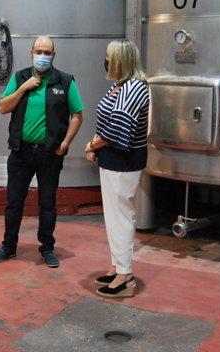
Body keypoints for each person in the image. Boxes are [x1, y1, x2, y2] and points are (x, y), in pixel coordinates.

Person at [0, 36, 84, 268]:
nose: (42, 56)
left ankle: (47, 248)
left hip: (50, 154)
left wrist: (65, 144)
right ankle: (8, 246)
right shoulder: (20, 77)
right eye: (39, 52)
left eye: (47, 52)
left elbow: (77, 115)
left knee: (47, 204)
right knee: (13, 202)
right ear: (31, 53)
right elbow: (3, 107)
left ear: (53, 55)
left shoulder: (65, 81)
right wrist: (23, 88)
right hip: (21, 152)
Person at [84, 38, 149, 298]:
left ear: (121, 60)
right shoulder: (119, 85)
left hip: (123, 162)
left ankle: (125, 275)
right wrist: (95, 146)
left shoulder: (134, 87)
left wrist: (92, 145)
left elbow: (116, 128)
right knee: (114, 217)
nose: (106, 61)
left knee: (121, 216)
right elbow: (107, 122)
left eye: (109, 57)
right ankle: (117, 266)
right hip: (112, 160)